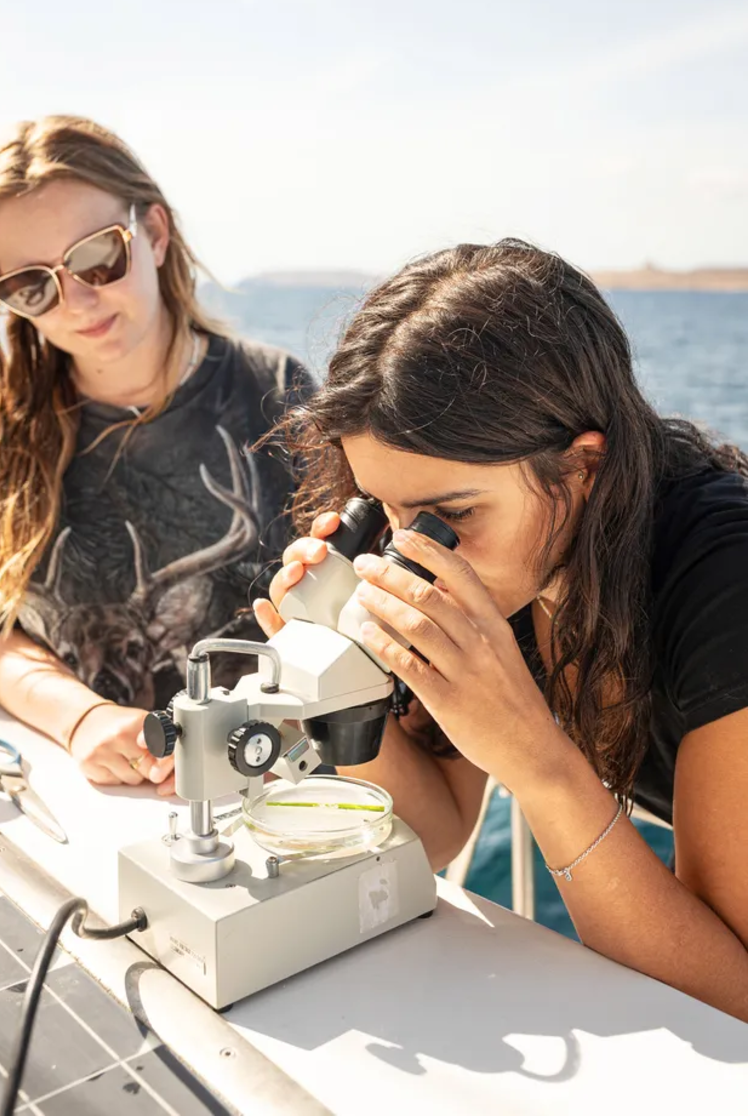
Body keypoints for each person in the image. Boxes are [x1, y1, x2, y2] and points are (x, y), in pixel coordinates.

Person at [254, 240, 748, 1022]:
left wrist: (538, 765)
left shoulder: (726, 583)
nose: (413, 555)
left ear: (583, 468)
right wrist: (344, 688)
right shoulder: (513, 559)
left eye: (451, 517)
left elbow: (734, 999)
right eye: (385, 509)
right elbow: (437, 835)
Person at [0, 115, 309, 796]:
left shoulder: (276, 394)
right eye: (32, 285)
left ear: (156, 233)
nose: (76, 300)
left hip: (268, 799)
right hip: (88, 810)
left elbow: (341, 615)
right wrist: (83, 718)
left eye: (95, 257)